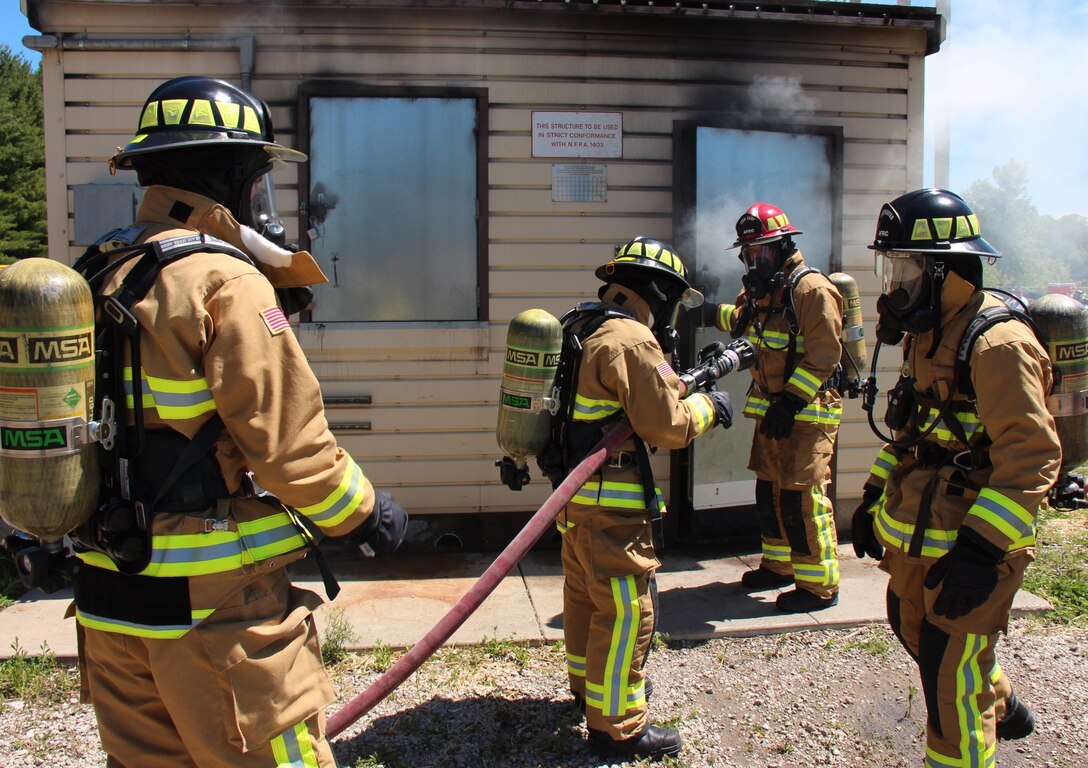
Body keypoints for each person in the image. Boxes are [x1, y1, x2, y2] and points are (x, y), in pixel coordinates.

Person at [68, 76, 408, 767]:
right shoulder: (226, 282)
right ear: (227, 175)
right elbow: (291, 453)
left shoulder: (100, 268)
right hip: (215, 613)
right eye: (257, 178)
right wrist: (370, 515)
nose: (262, 198)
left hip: (108, 601)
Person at [851, 188, 1061, 767]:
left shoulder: (996, 344)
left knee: (948, 666)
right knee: (911, 624)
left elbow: (1033, 456)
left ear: (947, 270)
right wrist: (872, 493)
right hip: (928, 527)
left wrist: (981, 549)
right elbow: (914, 430)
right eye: (891, 267)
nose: (897, 284)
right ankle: (1001, 702)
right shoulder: (931, 331)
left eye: (908, 269)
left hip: (977, 539)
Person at [551, 237, 733, 760]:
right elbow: (666, 425)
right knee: (628, 612)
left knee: (586, 597)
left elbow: (622, 405)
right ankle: (616, 727)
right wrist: (708, 406)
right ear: (659, 293)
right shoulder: (631, 339)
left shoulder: (581, 324)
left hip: (575, 500)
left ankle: (589, 691)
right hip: (614, 506)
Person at [702, 202, 844, 613]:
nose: (754, 261)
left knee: (802, 498)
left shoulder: (810, 290)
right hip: (770, 411)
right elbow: (746, 324)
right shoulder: (761, 291)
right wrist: (709, 313)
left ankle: (819, 586)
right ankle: (779, 566)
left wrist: (791, 402)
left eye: (761, 252)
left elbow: (825, 355)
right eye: (748, 254)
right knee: (769, 491)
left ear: (783, 246)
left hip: (809, 413)